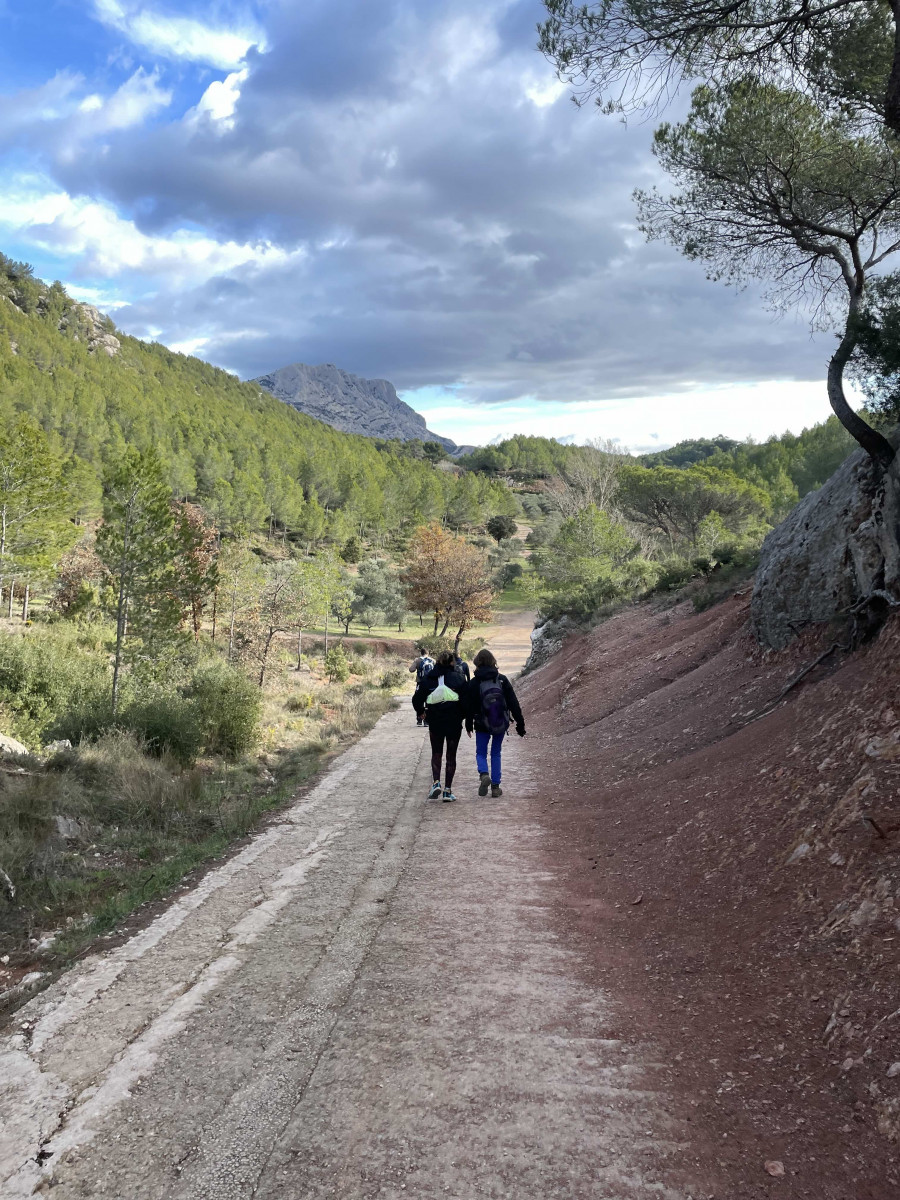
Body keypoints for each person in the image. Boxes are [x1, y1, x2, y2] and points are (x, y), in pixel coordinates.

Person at [463, 648, 525, 797]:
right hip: (499, 722)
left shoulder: (474, 683)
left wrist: (468, 723)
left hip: (481, 723)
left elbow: (469, 706)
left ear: (477, 663)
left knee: (481, 752)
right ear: (493, 662)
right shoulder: (502, 679)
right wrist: (520, 723)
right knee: (496, 753)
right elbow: (513, 703)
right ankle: (496, 787)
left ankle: (484, 774)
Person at [412, 650, 468, 802]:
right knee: (451, 756)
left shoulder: (429, 678)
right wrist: (463, 717)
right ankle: (448, 791)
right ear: (452, 662)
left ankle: (436, 782)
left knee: (436, 753)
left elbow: (416, 699)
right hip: (454, 722)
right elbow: (466, 701)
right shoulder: (459, 678)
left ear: (437, 662)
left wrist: (421, 712)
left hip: (435, 721)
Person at [408, 646, 435, 725]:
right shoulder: (433, 660)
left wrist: (416, 665)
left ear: (421, 653)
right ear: (428, 653)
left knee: (419, 700)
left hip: (420, 682)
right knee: (428, 700)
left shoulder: (418, 660)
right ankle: (427, 720)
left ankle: (419, 718)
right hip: (430, 683)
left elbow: (411, 670)